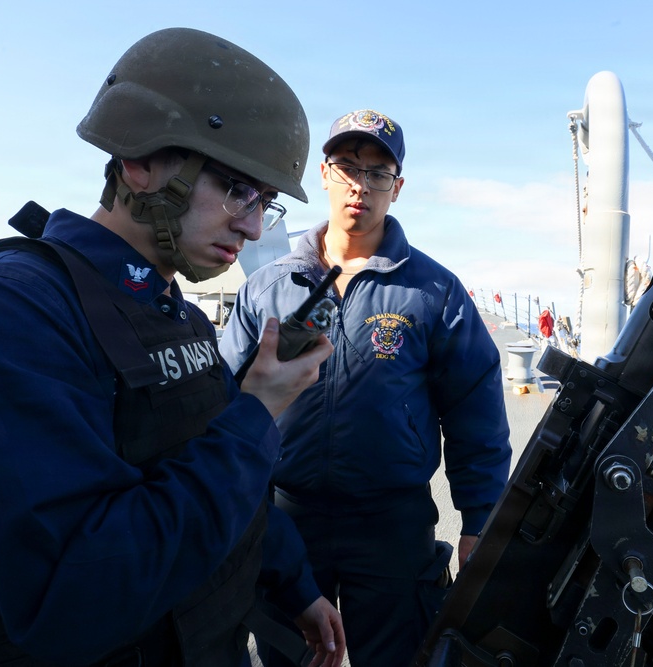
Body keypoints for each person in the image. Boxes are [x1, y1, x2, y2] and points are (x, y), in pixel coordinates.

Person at [0, 28, 346, 667]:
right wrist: (257, 408)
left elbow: (204, 468)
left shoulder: (171, 314)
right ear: (140, 162)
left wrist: (294, 584)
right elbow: (74, 594)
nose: (250, 224)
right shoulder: (2, 311)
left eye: (263, 202)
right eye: (237, 188)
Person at [219, 109, 512, 666]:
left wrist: (480, 519)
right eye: (347, 167)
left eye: (378, 172)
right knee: (288, 655)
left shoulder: (434, 291)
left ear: (397, 189)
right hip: (286, 517)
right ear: (325, 176)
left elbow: (474, 409)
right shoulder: (267, 288)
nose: (361, 184)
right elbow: (223, 402)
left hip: (392, 525)